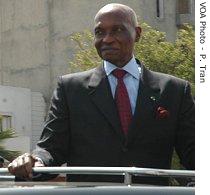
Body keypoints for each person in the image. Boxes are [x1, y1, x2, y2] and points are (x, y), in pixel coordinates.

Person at [8, 3, 194, 185]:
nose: (107, 39)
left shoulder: (174, 90)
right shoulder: (70, 88)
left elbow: (194, 154)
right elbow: (50, 149)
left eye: (117, 30)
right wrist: (34, 162)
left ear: (137, 34)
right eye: (99, 32)